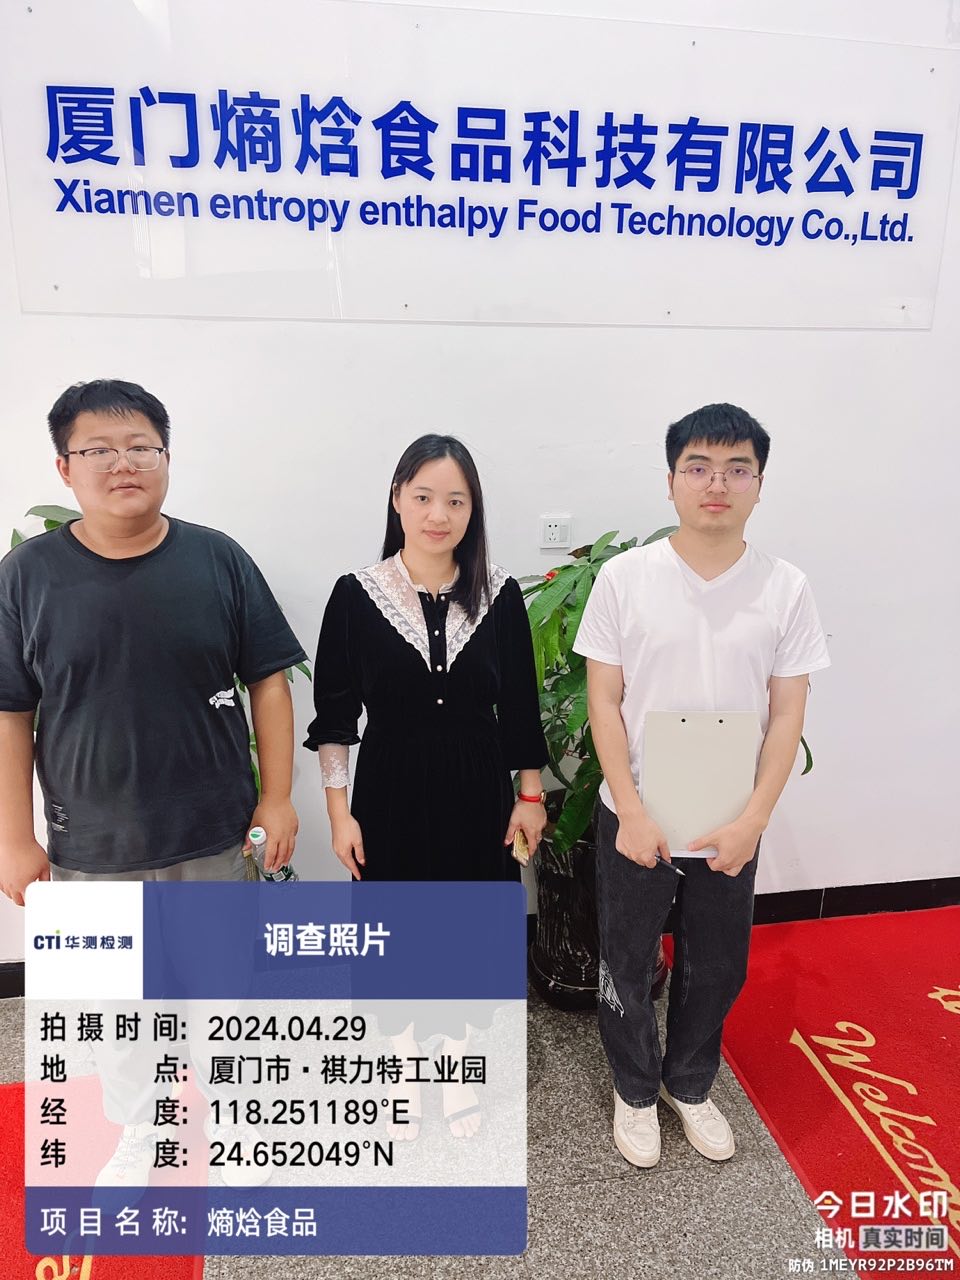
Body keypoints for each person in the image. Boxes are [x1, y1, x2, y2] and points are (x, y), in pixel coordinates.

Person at [0, 379, 307, 1182]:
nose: (123, 463)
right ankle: (141, 1127)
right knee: (115, 1013)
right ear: (65, 468)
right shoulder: (25, 576)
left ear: (166, 456)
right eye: (99, 449)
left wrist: (277, 798)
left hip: (213, 833)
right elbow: (10, 716)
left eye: (140, 446)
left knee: (223, 992)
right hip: (89, 846)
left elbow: (271, 682)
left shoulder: (217, 559)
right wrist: (13, 838)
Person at [573, 403, 830, 1168]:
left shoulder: (785, 588)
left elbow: (787, 715)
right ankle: (634, 1090)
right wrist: (630, 808)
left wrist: (754, 819)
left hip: (728, 816)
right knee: (626, 961)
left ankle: (688, 1085)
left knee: (718, 964)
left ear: (759, 483)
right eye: (699, 468)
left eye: (736, 469)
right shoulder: (625, 579)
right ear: (672, 481)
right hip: (637, 812)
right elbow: (603, 701)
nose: (717, 484)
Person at [304, 433, 548, 1135]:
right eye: (423, 497)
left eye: (456, 501)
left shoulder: (500, 595)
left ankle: (459, 1066)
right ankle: (408, 1061)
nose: (438, 514)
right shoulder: (356, 596)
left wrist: (530, 797)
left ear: (473, 510)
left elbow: (521, 708)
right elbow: (335, 718)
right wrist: (339, 815)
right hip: (390, 793)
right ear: (397, 500)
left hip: (477, 793)